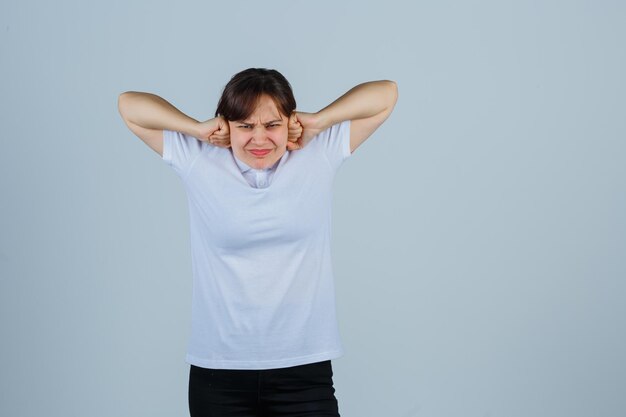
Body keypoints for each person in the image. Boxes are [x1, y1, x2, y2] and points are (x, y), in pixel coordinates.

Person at [118, 68, 398, 417]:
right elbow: (128, 105)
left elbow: (386, 95)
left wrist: (320, 121)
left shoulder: (317, 154)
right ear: (227, 126)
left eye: (272, 125)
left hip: (303, 368)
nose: (259, 139)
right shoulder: (198, 159)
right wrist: (196, 129)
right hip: (219, 374)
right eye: (246, 126)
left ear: (290, 123)